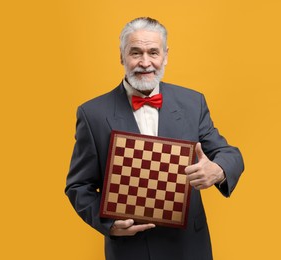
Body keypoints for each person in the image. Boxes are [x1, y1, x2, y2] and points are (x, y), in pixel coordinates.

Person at [65, 17, 244, 260]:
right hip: (130, 250)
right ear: (121, 56)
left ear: (166, 56)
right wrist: (108, 223)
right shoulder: (92, 114)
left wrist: (218, 169)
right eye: (135, 52)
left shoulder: (193, 103)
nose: (145, 62)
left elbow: (230, 154)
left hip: (189, 247)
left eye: (153, 52)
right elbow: (79, 186)